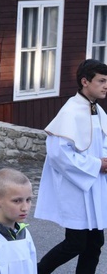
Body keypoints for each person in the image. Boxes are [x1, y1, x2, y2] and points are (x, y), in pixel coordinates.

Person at [35, 59, 107, 274]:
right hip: (78, 187)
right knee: (76, 243)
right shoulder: (70, 112)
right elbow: (58, 154)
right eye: (101, 81)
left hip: (95, 186)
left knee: (95, 243)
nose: (106, 86)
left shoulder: (96, 110)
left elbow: (102, 141)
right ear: (85, 81)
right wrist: (96, 164)